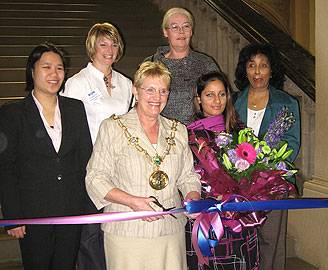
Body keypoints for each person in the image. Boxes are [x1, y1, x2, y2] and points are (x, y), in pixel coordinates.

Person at [85, 61, 201, 270]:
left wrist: (193, 195)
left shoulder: (178, 130)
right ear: (135, 91)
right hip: (127, 231)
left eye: (163, 91)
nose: (157, 98)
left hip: (170, 231)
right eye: (150, 90)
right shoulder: (112, 128)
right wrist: (133, 202)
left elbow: (188, 177)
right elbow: (95, 178)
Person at [0, 42, 92, 270]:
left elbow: (85, 158)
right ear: (32, 71)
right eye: (47, 67)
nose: (54, 74)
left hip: (71, 209)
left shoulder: (75, 108)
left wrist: (87, 205)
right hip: (33, 213)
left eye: (59, 68)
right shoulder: (12, 114)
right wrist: (13, 216)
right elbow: (6, 167)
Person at [60, 22, 133, 270]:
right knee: (90, 234)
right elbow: (67, 130)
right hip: (89, 165)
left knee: (115, 229)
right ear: (92, 46)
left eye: (114, 43)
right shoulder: (77, 83)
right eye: (103, 43)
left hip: (121, 166)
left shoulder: (126, 83)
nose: (109, 49)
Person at [233, 43, 301, 270]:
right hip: (237, 184)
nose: (258, 72)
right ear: (245, 70)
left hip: (273, 182)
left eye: (263, 66)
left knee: (271, 240)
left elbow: (291, 144)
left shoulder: (286, 103)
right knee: (241, 239)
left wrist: (263, 166)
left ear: (272, 70)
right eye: (252, 66)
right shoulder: (233, 102)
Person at [186, 71, 260, 270]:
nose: (217, 101)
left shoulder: (240, 130)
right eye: (209, 95)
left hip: (240, 218)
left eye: (221, 94)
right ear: (199, 100)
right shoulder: (191, 135)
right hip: (209, 218)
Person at [146, 7, 219, 125]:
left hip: (199, 134)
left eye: (186, 26)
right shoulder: (151, 63)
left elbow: (220, 100)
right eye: (174, 27)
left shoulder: (206, 64)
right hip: (159, 132)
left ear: (191, 31)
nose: (181, 31)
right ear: (165, 32)